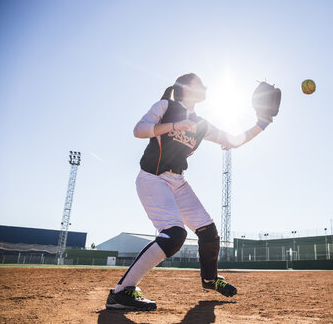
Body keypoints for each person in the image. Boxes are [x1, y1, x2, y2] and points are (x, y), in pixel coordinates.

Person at [105, 73, 276, 310]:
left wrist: (262, 122)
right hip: (153, 178)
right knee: (174, 234)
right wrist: (175, 125)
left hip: (178, 181)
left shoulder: (201, 123)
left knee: (209, 232)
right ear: (185, 88)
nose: (205, 87)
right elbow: (139, 130)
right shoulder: (166, 105)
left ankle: (210, 279)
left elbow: (234, 140)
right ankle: (121, 292)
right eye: (199, 84)